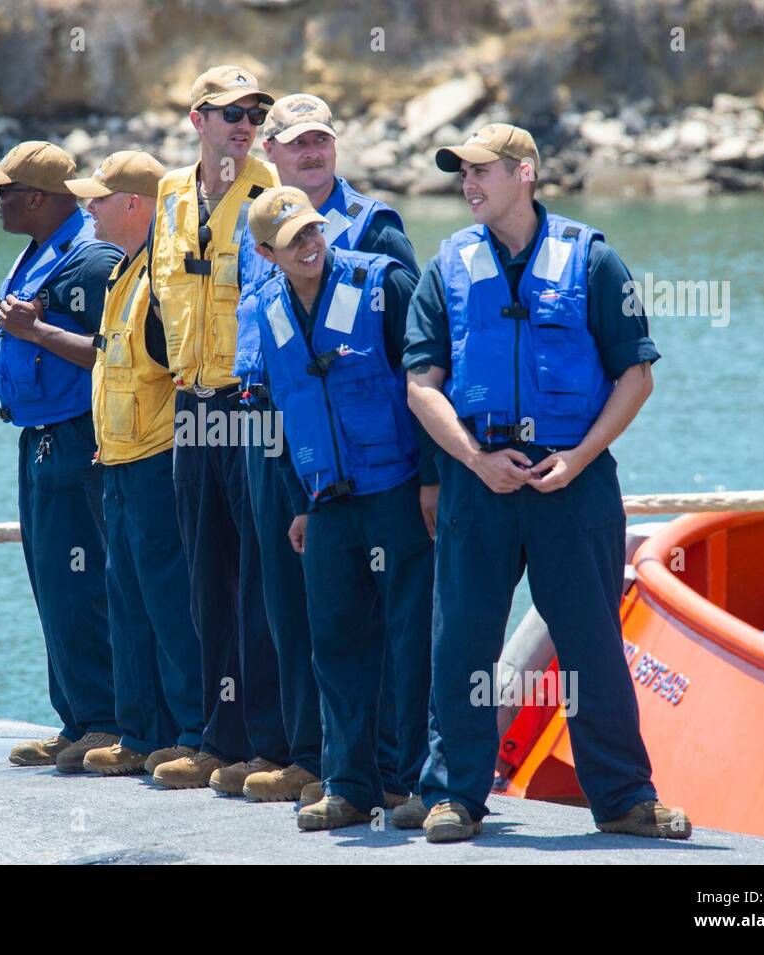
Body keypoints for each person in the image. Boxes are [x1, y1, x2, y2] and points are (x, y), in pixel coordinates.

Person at [403, 123, 692, 841]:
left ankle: (625, 798)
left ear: (525, 172)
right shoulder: (447, 267)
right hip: (480, 482)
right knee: (462, 641)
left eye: (481, 171)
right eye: (461, 173)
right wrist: (474, 460)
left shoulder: (593, 261)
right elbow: (420, 385)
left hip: (575, 482)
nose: (467, 184)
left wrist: (582, 457)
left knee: (592, 641)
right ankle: (453, 796)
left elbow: (636, 375)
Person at [233, 94, 435, 808]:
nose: (310, 243)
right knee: (334, 643)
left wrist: (434, 482)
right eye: (293, 239)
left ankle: (410, 781)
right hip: (324, 500)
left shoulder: (381, 274)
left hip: (395, 488)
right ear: (265, 254)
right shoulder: (265, 308)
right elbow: (280, 412)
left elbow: (426, 379)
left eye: (314, 231)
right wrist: (298, 502)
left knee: (410, 642)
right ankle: (346, 785)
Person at [146, 65, 289, 793]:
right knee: (206, 580)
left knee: (259, 581)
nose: (244, 123)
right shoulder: (170, 195)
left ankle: (269, 744)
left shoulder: (272, 195)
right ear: (196, 117)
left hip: (249, 404)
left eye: (255, 113)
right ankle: (215, 739)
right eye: (230, 111)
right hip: (190, 405)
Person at [0, 141, 124, 772]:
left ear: (37, 198)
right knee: (51, 580)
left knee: (82, 580)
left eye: (2, 192)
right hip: (38, 434)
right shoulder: (38, 249)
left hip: (76, 435)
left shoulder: (89, 258)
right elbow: (32, 327)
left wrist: (30, 330)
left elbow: (109, 351)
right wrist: (2, 322)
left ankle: (109, 719)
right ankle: (77, 718)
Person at [60, 152, 208, 776]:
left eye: (98, 198)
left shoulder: (164, 277)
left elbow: (184, 373)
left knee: (170, 604)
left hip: (155, 462)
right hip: (118, 460)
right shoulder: (125, 272)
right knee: (127, 601)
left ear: (135, 205)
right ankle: (141, 732)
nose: (87, 208)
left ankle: (194, 733)